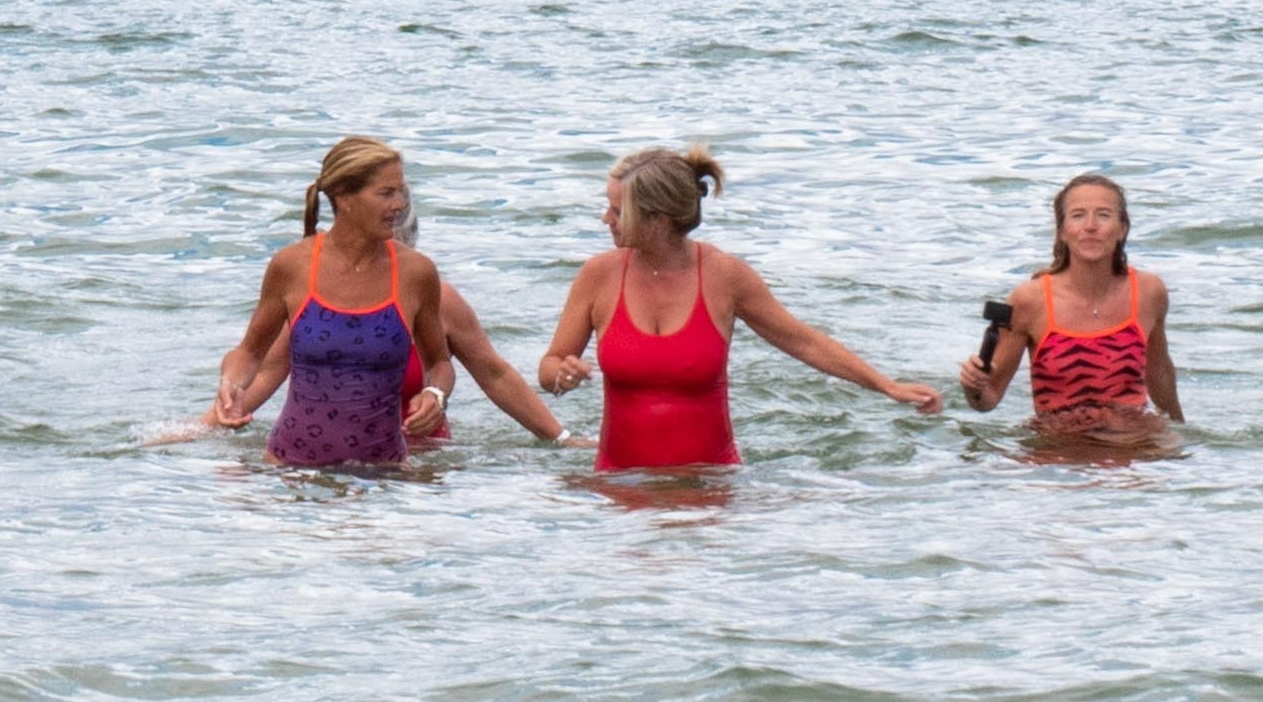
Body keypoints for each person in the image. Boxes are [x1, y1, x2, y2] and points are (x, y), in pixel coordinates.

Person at [529, 144, 941, 471]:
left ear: (656, 219)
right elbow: (548, 367)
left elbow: (803, 342)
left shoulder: (725, 276)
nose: (605, 219)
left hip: (712, 485)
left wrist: (887, 386)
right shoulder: (598, 275)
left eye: (617, 211)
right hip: (618, 481)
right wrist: (561, 375)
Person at [204, 136, 569, 466]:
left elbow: (439, 363)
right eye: (386, 193)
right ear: (345, 198)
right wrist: (230, 384)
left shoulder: (417, 272)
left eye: (401, 193)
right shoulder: (292, 265)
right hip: (293, 472)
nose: (399, 206)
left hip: (389, 479)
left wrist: (435, 393)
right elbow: (250, 354)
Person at [956, 172, 1185, 438]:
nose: (1090, 226)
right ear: (1062, 231)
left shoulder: (1149, 292)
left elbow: (1160, 375)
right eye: (1078, 215)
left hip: (1133, 444)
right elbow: (988, 399)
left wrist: (1182, 438)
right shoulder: (1029, 301)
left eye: (1103, 215)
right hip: (1060, 449)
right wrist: (973, 387)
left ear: (1122, 229)